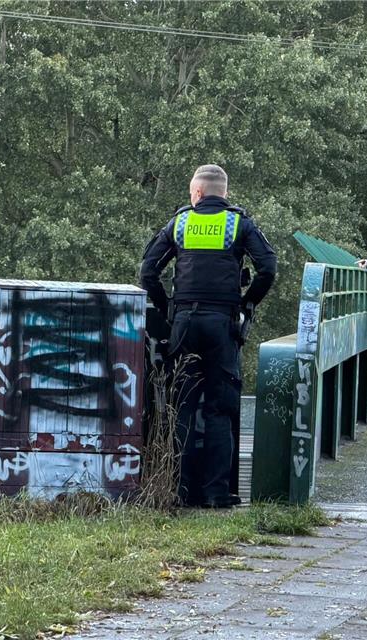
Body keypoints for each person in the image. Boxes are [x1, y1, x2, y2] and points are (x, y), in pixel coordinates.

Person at [140, 164, 277, 507]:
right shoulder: (238, 224)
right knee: (219, 408)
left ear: (197, 193)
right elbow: (268, 268)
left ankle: (178, 490)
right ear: (224, 193)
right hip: (222, 323)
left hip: (184, 322)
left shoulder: (180, 223)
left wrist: (168, 308)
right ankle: (217, 492)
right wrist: (247, 304)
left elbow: (148, 271)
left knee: (182, 406)